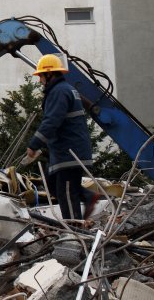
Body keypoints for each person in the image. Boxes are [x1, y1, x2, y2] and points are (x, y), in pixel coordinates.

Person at [26, 54, 96, 222]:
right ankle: (88, 196)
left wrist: (34, 144)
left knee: (66, 193)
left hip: (69, 153)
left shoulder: (59, 91)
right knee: (52, 183)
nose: (40, 80)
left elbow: (52, 121)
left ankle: (74, 231)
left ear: (50, 74)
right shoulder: (64, 89)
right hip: (66, 152)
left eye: (41, 76)